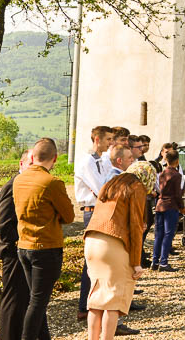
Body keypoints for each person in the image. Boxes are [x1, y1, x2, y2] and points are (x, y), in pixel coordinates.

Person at [84, 152, 151, 340]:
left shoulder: (110, 185)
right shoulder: (136, 186)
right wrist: (136, 262)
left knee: (96, 299)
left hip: (91, 241)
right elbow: (136, 226)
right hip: (112, 243)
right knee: (113, 301)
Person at [13, 137, 75, 340]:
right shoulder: (52, 182)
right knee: (38, 302)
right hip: (46, 247)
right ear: (55, 158)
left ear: (32, 156)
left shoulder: (19, 180)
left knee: (37, 301)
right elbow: (69, 216)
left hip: (24, 246)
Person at [73, 126, 113, 322]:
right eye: (108, 139)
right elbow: (101, 187)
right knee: (92, 260)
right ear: (97, 139)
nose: (110, 143)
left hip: (99, 209)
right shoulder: (87, 162)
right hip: (92, 210)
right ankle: (85, 306)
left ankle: (95, 304)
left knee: (101, 259)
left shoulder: (101, 160)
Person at [0, 150, 33, 340]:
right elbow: (3, 225)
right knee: (13, 302)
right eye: (30, 165)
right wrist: (19, 244)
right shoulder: (12, 186)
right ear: (21, 164)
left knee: (27, 301)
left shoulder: (26, 185)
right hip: (14, 251)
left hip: (25, 250)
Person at [151, 150, 183, 272]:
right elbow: (177, 194)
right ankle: (163, 262)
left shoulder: (162, 173)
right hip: (171, 205)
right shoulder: (176, 175)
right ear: (177, 161)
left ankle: (155, 261)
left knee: (158, 234)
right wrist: (181, 207)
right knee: (168, 234)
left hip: (160, 204)